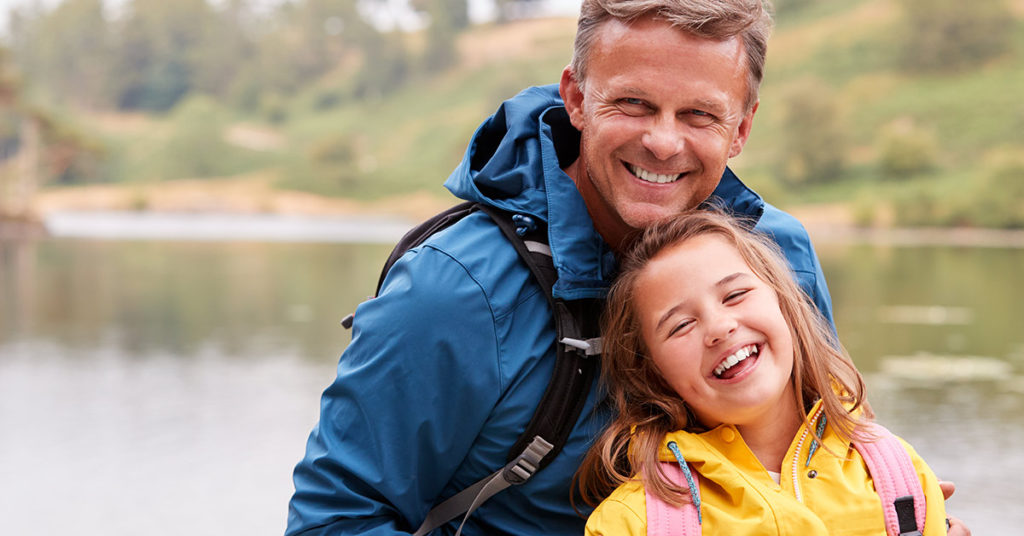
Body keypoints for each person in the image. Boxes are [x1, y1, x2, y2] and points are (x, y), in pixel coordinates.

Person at [286, 1, 969, 534]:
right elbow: (333, 521)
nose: (663, 141)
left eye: (700, 114)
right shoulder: (453, 292)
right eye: (634, 103)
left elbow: (829, 444)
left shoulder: (778, 257)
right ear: (577, 97)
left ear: (742, 127)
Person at [578, 209, 948, 535]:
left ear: (784, 304)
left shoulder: (897, 476)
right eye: (681, 325)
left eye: (735, 295)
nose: (720, 328)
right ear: (651, 373)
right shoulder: (631, 524)